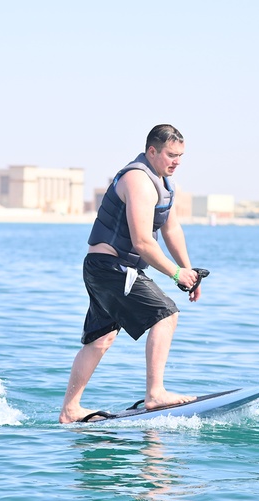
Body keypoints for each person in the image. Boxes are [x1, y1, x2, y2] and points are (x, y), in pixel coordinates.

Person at [59, 124, 203, 424]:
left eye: (180, 156)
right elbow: (142, 241)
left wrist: (188, 270)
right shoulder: (137, 179)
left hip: (108, 269)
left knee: (101, 339)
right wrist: (176, 274)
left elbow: (171, 228)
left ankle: (70, 409)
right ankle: (155, 393)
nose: (176, 162)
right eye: (170, 155)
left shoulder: (164, 184)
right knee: (166, 315)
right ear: (152, 151)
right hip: (113, 267)